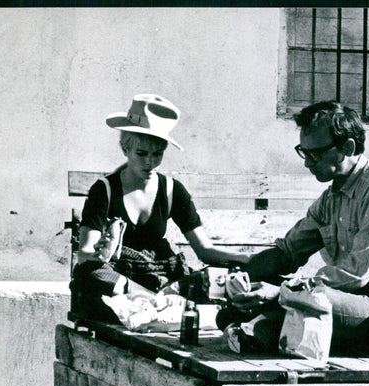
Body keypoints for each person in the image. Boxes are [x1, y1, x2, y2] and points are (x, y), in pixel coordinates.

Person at [219, 100, 369, 355]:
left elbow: (355, 274)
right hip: (353, 295)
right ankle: (253, 328)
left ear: (348, 147)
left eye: (315, 154)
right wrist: (243, 277)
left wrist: (279, 293)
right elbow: (288, 251)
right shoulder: (331, 198)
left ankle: (258, 330)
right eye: (303, 152)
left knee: (286, 313)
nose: (307, 163)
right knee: (234, 310)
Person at [70, 94, 249, 323]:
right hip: (121, 280)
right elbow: (85, 254)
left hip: (164, 279)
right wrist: (101, 252)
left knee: (214, 278)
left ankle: (152, 303)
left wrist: (246, 259)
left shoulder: (172, 190)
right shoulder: (104, 190)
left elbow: (204, 250)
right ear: (125, 149)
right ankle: (153, 302)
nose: (149, 162)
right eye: (141, 154)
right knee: (87, 274)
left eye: (157, 154)